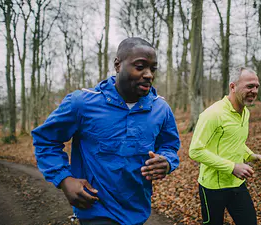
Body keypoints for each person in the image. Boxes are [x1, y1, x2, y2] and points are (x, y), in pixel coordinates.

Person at [32, 37, 180, 225]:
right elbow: (46, 140)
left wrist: (166, 161)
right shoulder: (82, 103)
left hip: (137, 213)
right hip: (95, 211)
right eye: (140, 66)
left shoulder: (161, 108)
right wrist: (65, 179)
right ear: (118, 65)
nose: (149, 74)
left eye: (153, 69)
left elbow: (169, 145)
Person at [189, 67, 261, 225]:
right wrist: (232, 167)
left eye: (257, 86)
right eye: (249, 86)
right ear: (233, 86)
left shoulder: (246, 112)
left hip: (237, 184)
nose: (254, 90)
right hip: (212, 187)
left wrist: (250, 155)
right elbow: (195, 151)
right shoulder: (213, 114)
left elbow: (236, 142)